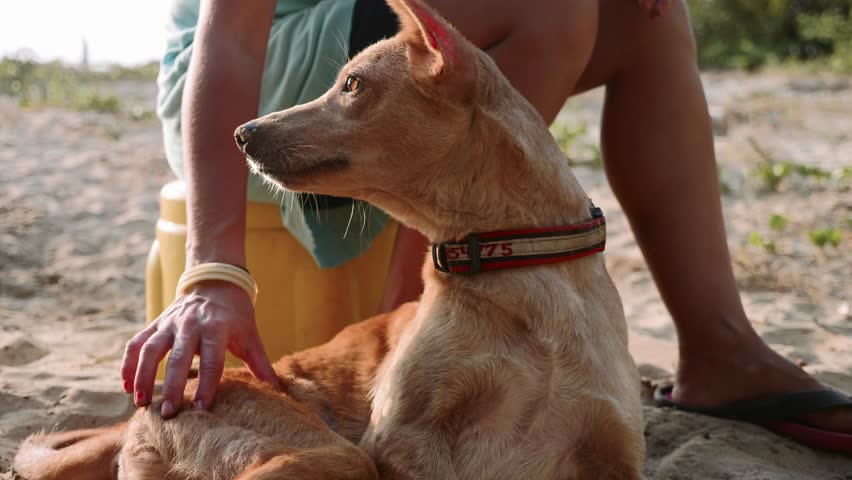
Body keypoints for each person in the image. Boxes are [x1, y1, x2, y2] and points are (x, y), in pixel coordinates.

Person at [122, 0, 851, 441]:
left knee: (648, 12)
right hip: (256, 77)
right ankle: (413, 324)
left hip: (385, 46)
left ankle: (719, 347)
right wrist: (213, 274)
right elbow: (234, 33)